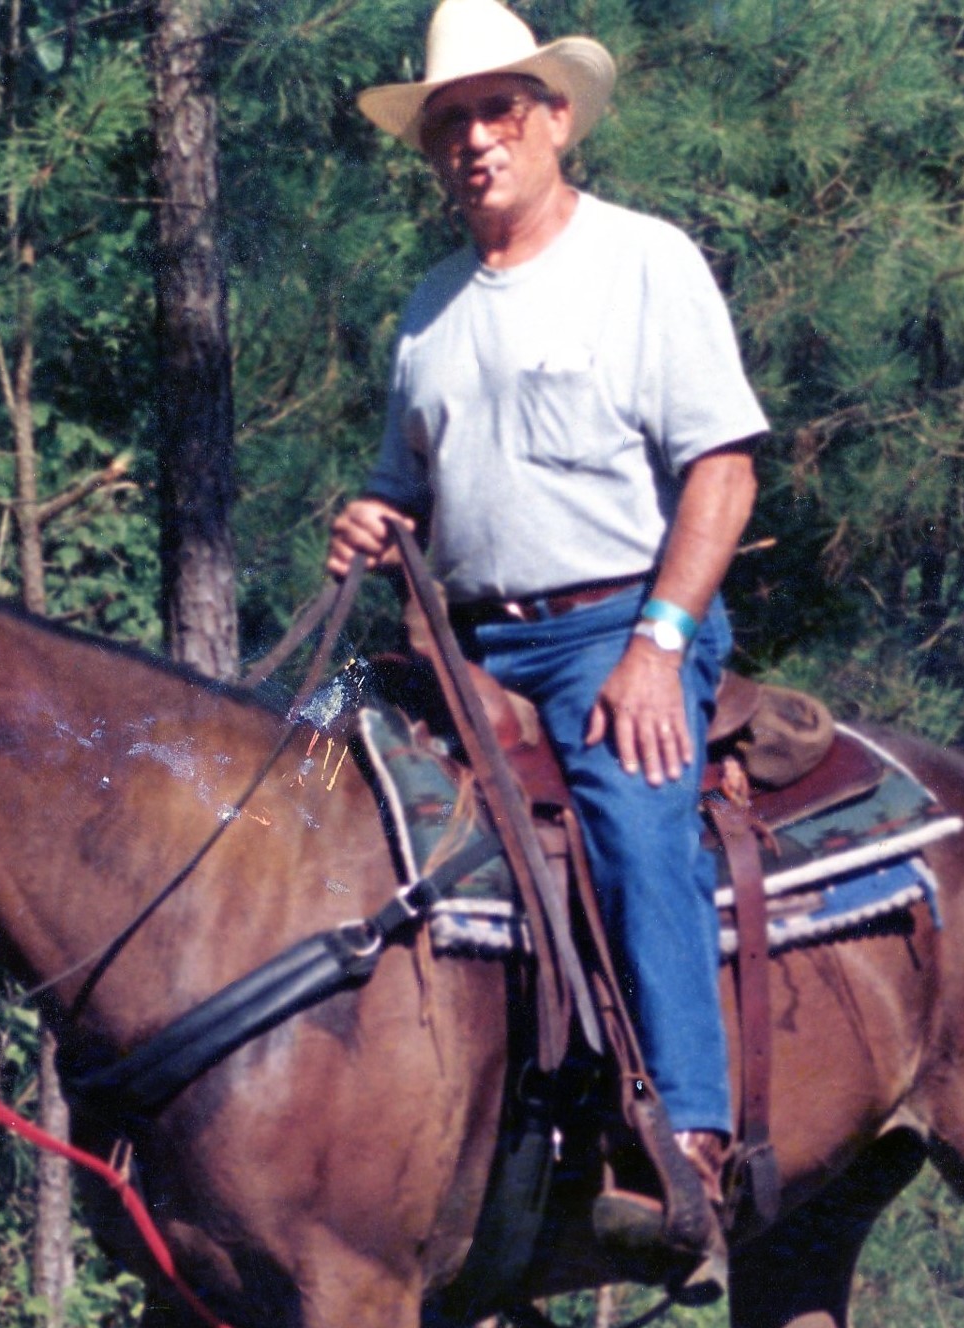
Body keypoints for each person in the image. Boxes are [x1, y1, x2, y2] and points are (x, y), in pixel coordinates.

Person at [328, 0, 767, 1240]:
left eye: (498, 111)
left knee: (632, 813)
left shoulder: (643, 261)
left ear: (556, 118)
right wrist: (371, 520)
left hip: (615, 629)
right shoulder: (429, 309)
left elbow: (724, 470)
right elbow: (406, 486)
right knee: (300, 756)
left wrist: (657, 646)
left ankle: (685, 1139)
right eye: (449, 123)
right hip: (464, 642)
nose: (474, 140)